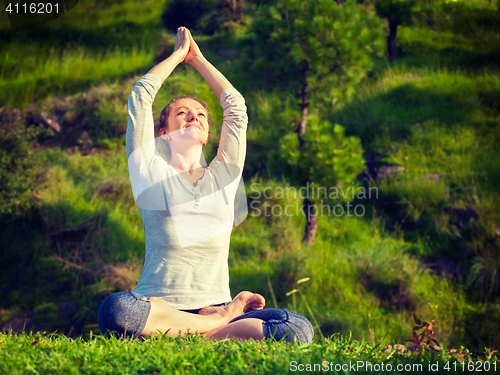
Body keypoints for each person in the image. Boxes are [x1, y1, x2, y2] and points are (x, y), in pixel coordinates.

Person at [97, 27, 314, 344]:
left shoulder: (223, 178)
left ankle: (199, 331)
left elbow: (236, 109)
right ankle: (218, 327)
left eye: (200, 114)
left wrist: (197, 59)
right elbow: (140, 97)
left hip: (210, 305)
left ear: (209, 132)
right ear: (163, 131)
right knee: (116, 311)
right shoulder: (150, 172)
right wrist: (176, 57)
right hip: (157, 308)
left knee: (296, 328)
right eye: (181, 113)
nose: (192, 117)